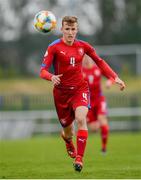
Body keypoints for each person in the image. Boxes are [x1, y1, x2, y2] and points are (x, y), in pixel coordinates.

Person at [40, 16, 125, 172]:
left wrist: (114, 77)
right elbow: (42, 70)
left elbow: (99, 62)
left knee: (81, 119)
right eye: (67, 29)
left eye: (73, 29)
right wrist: (51, 77)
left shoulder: (84, 46)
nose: (70, 32)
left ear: (77, 29)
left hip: (80, 89)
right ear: (62, 30)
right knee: (68, 131)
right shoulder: (54, 47)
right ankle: (67, 141)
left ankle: (80, 159)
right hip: (61, 94)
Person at [82, 55, 113, 153]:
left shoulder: (98, 69)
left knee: (102, 119)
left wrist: (109, 82)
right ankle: (102, 125)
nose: (86, 59)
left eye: (88, 57)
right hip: (88, 102)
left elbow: (111, 77)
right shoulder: (80, 71)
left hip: (99, 99)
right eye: (84, 57)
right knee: (94, 128)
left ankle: (104, 148)